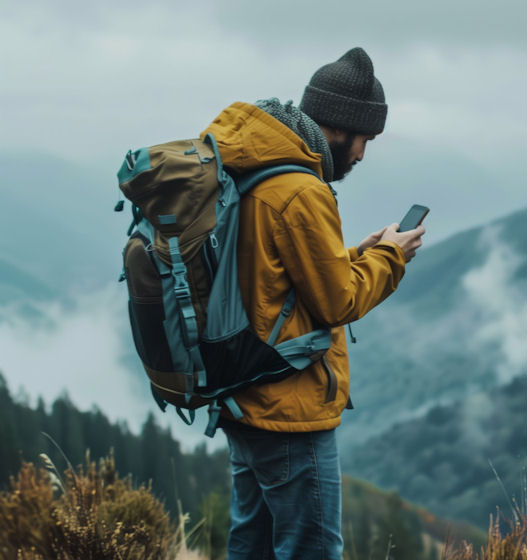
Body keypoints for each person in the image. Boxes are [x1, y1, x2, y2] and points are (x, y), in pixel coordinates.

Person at [201, 47, 424, 559]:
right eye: (365, 138)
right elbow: (336, 301)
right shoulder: (301, 189)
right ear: (341, 128)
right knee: (312, 549)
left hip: (242, 392)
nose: (364, 154)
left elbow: (269, 275)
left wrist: (353, 254)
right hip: (288, 407)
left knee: (250, 542)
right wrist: (392, 257)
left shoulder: (255, 166)